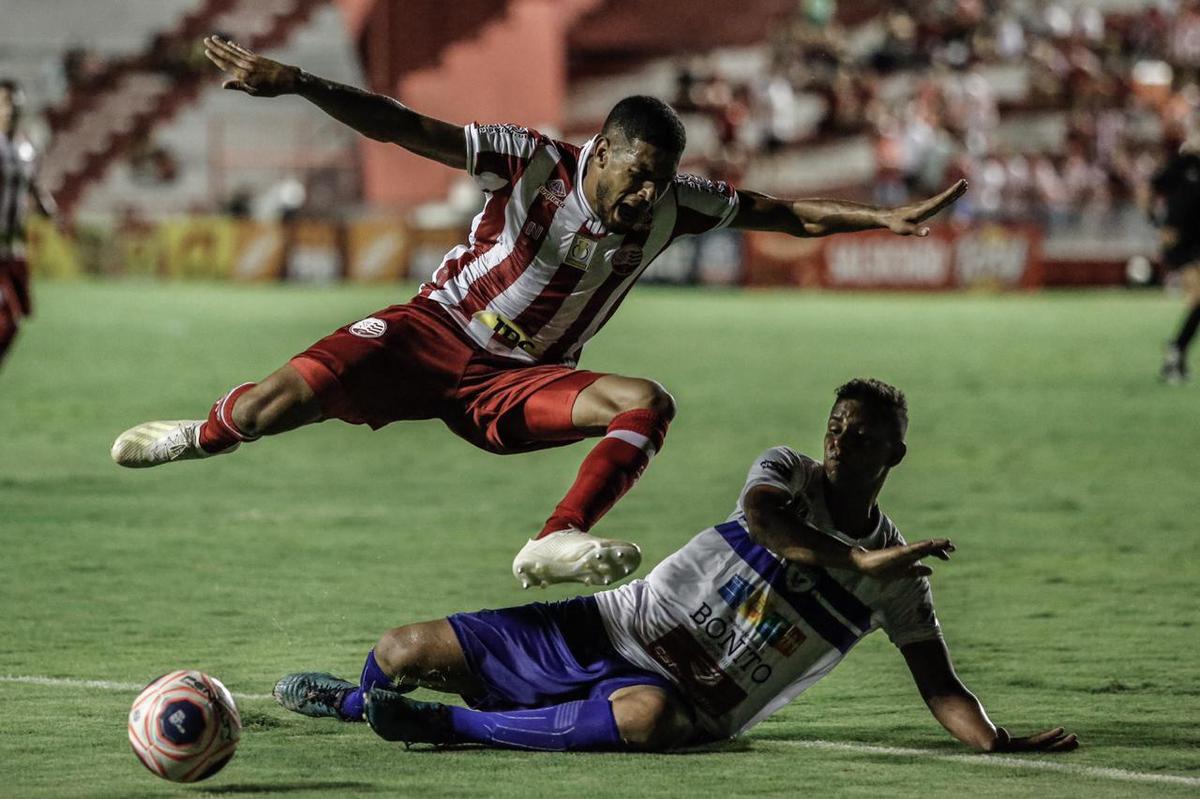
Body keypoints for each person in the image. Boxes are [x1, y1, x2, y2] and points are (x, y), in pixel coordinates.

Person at [111, 36, 968, 589]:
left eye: (661, 182)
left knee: (647, 402)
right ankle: (204, 432)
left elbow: (786, 214)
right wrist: (298, 82)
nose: (649, 196)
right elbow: (405, 127)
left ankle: (554, 539)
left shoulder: (677, 203)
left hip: (521, 381)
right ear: (604, 152)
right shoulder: (530, 160)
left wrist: (881, 217)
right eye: (638, 177)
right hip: (433, 332)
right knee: (268, 410)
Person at [271, 379, 1078, 755]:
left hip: (686, 698)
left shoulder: (893, 580)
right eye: (837, 424)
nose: (841, 439)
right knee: (400, 649)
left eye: (862, 435)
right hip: (610, 624)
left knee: (648, 720)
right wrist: (860, 556)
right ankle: (357, 703)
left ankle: (448, 727)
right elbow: (769, 526)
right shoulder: (788, 472)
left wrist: (997, 740)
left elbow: (939, 685)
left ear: (894, 454)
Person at [0, 79, 56, 369]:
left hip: (14, 250)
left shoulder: (25, 149)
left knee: (15, 321)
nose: (9, 109)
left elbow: (32, 183)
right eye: (4, 102)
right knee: (5, 319)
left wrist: (44, 203)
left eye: (13, 102)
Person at [1152, 133, 1200, 384]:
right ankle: (1176, 350)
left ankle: (1176, 351)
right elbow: (1152, 187)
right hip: (1181, 244)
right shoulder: (1180, 165)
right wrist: (1155, 222)